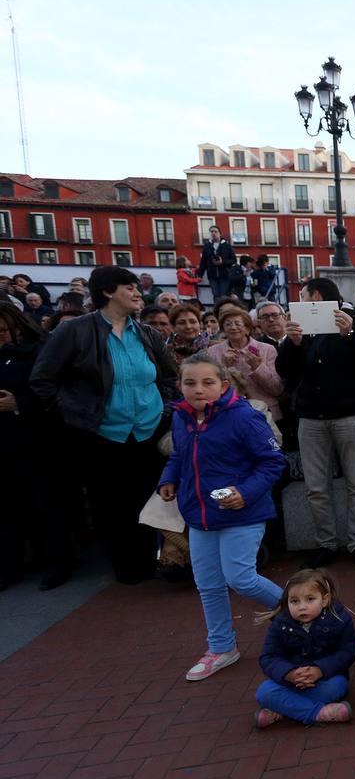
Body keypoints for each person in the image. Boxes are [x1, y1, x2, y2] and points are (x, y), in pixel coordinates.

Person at [29, 266, 178, 585]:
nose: (138, 293)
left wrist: (163, 408)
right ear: (108, 292)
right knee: (112, 506)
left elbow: (169, 378)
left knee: (149, 500)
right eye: (130, 287)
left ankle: (154, 562)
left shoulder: (147, 332)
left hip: (148, 431)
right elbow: (42, 380)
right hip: (102, 435)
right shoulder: (75, 331)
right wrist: (76, 414)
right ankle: (127, 568)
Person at [157, 353, 287, 680]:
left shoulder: (243, 417)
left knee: (240, 578)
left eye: (207, 382)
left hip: (242, 512)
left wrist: (245, 493)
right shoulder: (181, 417)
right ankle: (222, 647)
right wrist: (168, 479)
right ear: (180, 386)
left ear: (224, 385)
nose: (198, 389)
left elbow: (273, 462)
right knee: (208, 584)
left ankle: (304, 613)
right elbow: (180, 456)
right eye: (190, 383)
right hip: (200, 514)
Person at [276, 277, 355, 571]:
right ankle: (326, 544)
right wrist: (294, 344)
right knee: (316, 487)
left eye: (302, 295)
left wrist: (350, 334)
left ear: (315, 295)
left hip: (352, 415)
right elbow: (285, 372)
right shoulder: (301, 326)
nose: (299, 301)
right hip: (311, 418)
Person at [0, 305, 70, 591]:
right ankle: (11, 566)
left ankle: (57, 563)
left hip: (35, 440)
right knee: (6, 508)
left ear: (17, 326)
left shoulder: (37, 352)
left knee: (44, 504)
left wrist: (19, 404)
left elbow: (50, 391)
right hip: (3, 443)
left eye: (3, 331)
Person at [254, 570, 355, 728]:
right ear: (286, 602)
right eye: (294, 601)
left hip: (325, 679)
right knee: (264, 692)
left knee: (337, 687)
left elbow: (347, 652)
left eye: (310, 599)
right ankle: (318, 713)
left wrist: (320, 670)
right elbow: (269, 657)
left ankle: (284, 708)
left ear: (325, 600)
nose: (302, 607)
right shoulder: (280, 623)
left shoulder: (339, 619)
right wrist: (289, 674)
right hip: (290, 681)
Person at [207, 306, 283, 423]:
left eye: (238, 324)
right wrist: (224, 366)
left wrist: (257, 367)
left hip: (265, 415)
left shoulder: (267, 349)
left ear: (247, 328)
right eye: (228, 324)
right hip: (227, 415)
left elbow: (276, 389)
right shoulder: (213, 351)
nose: (233, 327)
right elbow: (211, 388)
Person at [196, 225, 237, 300]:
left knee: (223, 296)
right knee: (216, 295)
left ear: (220, 234)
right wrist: (200, 275)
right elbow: (203, 261)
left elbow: (234, 260)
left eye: (215, 231)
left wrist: (222, 262)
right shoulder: (207, 246)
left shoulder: (227, 246)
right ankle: (217, 310)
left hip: (224, 275)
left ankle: (223, 310)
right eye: (211, 231)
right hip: (212, 275)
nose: (213, 233)